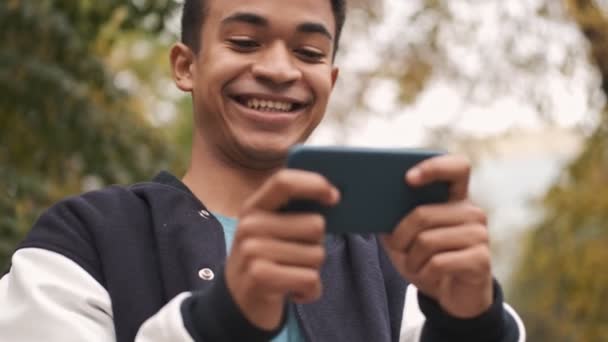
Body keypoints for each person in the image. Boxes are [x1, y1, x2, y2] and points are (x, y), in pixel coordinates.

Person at [0, 0, 526, 341]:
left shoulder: (395, 262)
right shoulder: (84, 239)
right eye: (245, 42)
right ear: (186, 65)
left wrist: (471, 321)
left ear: (331, 79)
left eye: (309, 51)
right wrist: (223, 318)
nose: (279, 70)